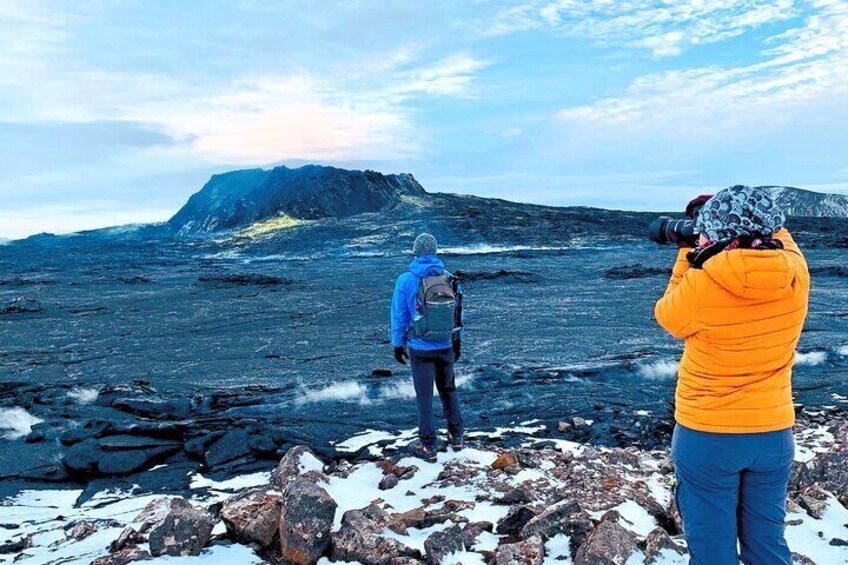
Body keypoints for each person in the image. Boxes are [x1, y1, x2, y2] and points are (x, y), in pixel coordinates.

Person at [655, 185, 810, 565]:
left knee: (712, 551)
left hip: (708, 436)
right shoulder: (795, 274)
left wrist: (686, 248)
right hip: (773, 435)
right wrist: (733, 219)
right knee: (768, 544)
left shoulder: (702, 283)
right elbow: (780, 233)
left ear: (722, 237)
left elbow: (667, 314)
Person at [390, 233, 464, 462]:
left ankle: (428, 445)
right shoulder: (449, 277)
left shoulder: (405, 280)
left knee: (424, 396)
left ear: (415, 252)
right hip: (445, 344)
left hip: (420, 347)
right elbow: (459, 313)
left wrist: (397, 344)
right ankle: (458, 437)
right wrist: (457, 340)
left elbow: (398, 314)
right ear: (435, 251)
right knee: (448, 390)